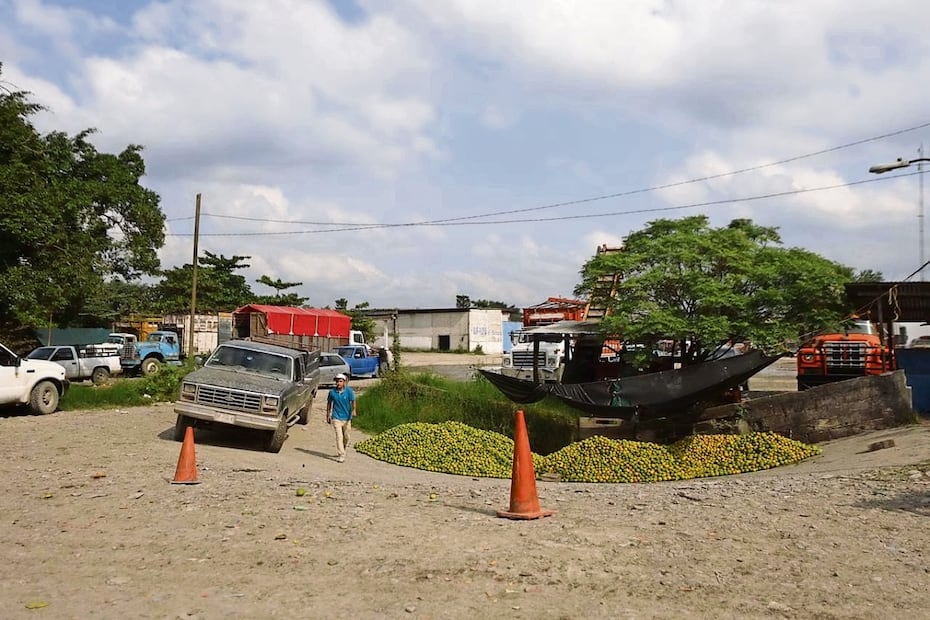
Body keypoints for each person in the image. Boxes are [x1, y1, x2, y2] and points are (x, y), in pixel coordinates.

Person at [326, 373, 356, 462]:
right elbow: (329, 403)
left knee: (346, 437)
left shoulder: (349, 391)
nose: (338, 383)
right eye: (337, 381)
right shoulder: (332, 392)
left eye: (340, 381)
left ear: (344, 382)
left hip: (347, 418)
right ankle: (341, 454)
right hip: (336, 417)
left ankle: (343, 447)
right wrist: (328, 415)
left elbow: (353, 401)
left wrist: (354, 410)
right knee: (339, 436)